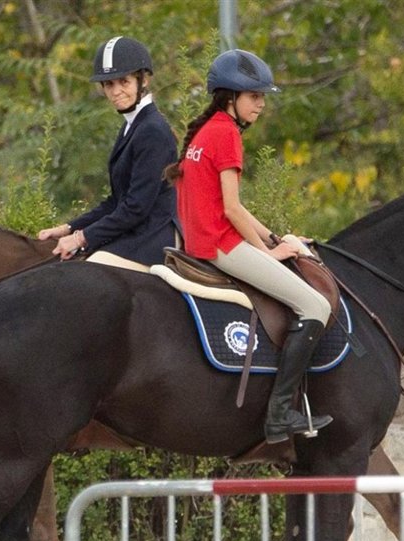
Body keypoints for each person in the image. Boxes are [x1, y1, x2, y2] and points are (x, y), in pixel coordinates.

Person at [165, 49, 332, 444]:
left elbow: (234, 209)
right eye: (254, 96)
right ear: (229, 98)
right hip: (221, 245)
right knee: (316, 306)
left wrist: (275, 236)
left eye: (262, 97)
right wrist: (266, 253)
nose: (261, 104)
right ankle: (279, 415)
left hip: (203, 240)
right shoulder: (226, 134)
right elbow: (233, 209)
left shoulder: (208, 133)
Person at [38, 36, 178, 268]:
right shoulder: (132, 126)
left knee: (88, 272)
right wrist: (68, 228)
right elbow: (116, 201)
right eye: (109, 84)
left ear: (143, 80)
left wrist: (81, 238)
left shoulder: (152, 130)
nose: (115, 91)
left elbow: (136, 207)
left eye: (124, 81)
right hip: (136, 230)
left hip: (155, 236)